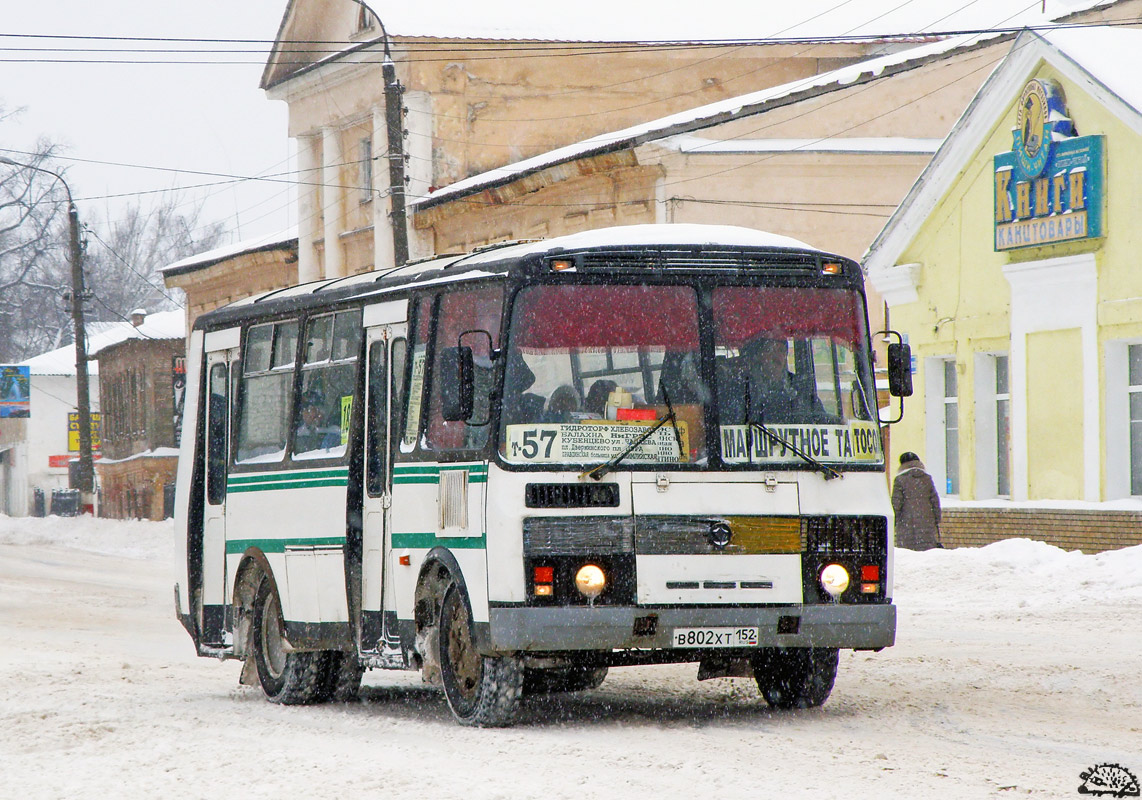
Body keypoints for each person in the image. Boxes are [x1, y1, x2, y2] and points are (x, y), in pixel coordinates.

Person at [728, 337, 827, 424]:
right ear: (758, 356)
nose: (776, 356)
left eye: (781, 350)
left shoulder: (800, 387)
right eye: (769, 350)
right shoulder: (743, 387)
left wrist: (835, 422)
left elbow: (820, 419)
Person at [891, 452, 943, 550]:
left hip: (906, 527)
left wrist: (893, 523)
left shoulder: (900, 480)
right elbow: (935, 502)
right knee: (926, 556)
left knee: (909, 556)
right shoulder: (927, 479)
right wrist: (936, 520)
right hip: (927, 526)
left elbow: (896, 504)